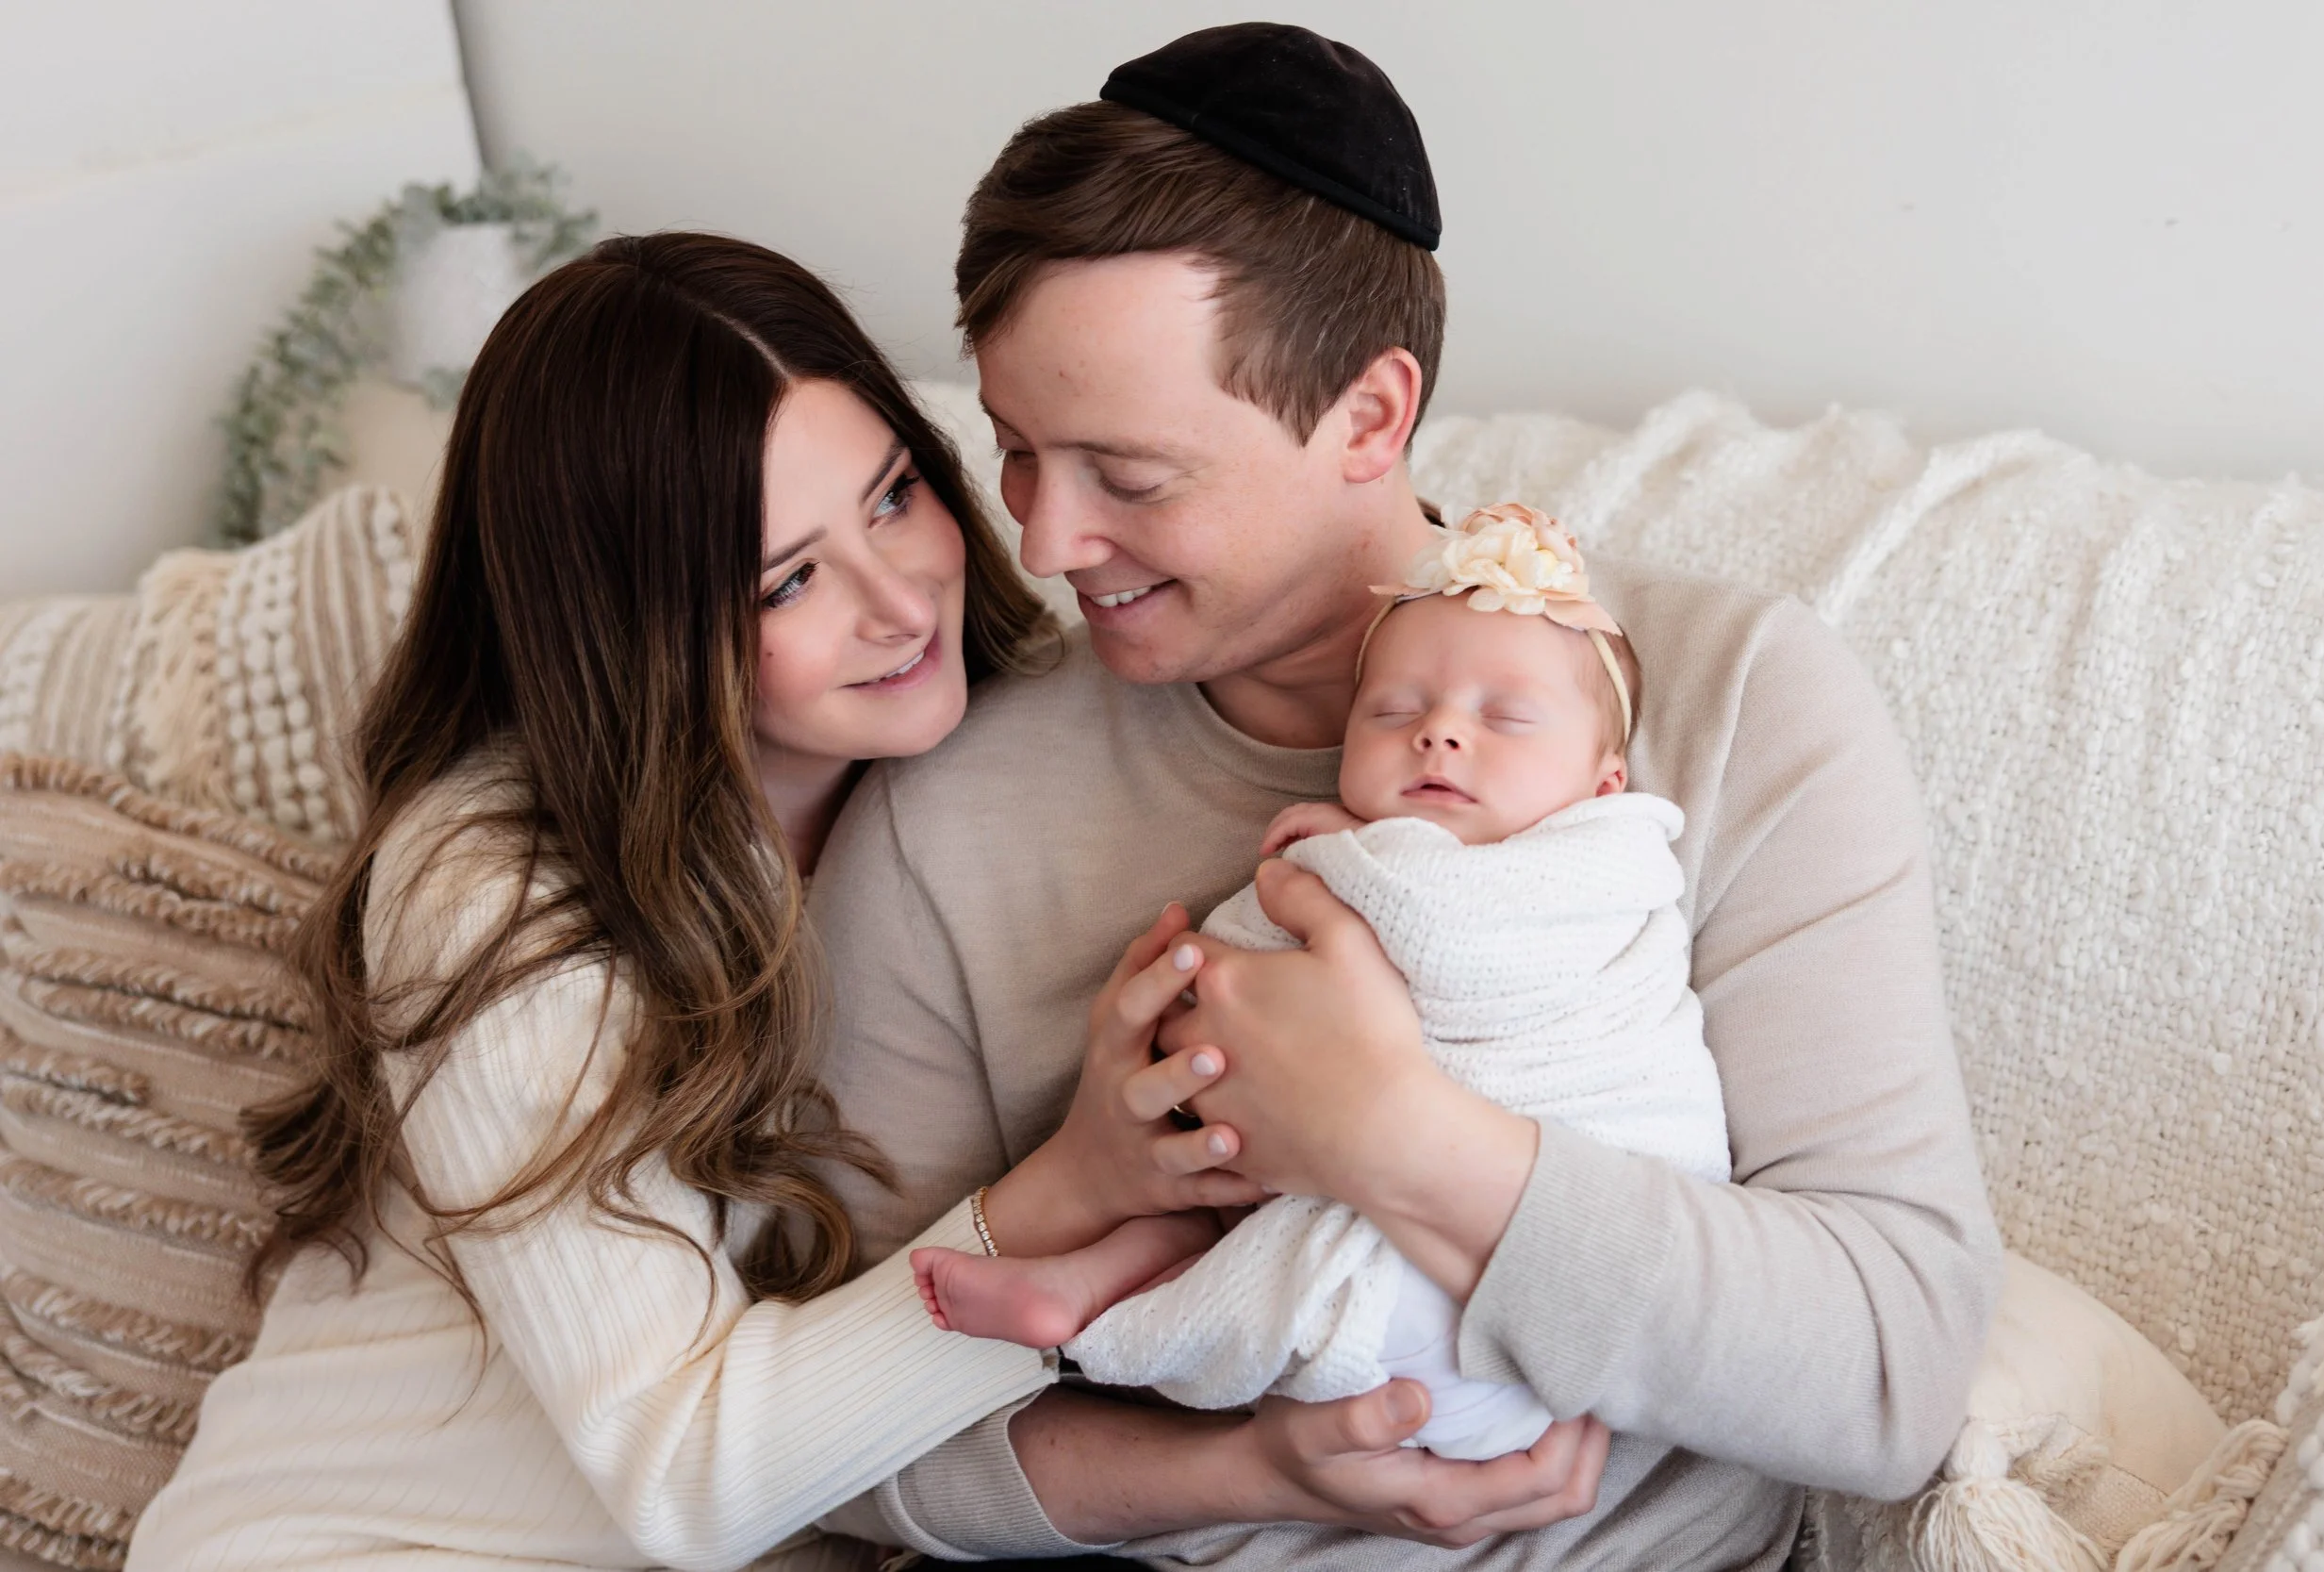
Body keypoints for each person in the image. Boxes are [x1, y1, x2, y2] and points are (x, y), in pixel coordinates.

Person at [125, 232, 1605, 1572]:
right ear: (639, 638)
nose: (901, 600)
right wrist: (1074, 1191)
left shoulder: (991, 745)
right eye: (785, 583)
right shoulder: (493, 888)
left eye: (895, 494)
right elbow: (687, 1473)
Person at [812, 22, 2004, 1571]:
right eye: (1017, 451)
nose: (1042, 543)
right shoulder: (948, 811)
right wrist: (1250, 1466)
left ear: (1371, 415)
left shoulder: (1730, 702)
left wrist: (1384, 1129)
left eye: (1129, 472)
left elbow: (1892, 1372)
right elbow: (826, 1427)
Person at [911, 504, 1731, 1466]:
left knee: (1289, 1240)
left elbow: (1464, 952)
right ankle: (1085, 1293)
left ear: (1604, 784)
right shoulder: (1348, 854)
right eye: (1394, 711)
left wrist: (1351, 869)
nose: (1439, 736)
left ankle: (1116, 1324)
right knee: (1215, 1203)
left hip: (1507, 1311)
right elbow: (1235, 989)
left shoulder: (1599, 867)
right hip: (1343, 1239)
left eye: (1502, 717)